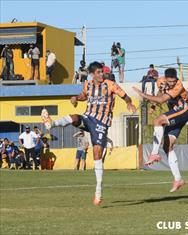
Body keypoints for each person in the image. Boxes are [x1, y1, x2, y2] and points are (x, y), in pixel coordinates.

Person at [41, 61, 137, 205]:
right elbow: (84, 96)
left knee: (97, 154)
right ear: (92, 74)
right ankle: (51, 124)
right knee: (73, 117)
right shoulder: (88, 84)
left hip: (101, 122)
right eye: (98, 72)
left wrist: (129, 103)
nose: (101, 74)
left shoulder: (110, 84)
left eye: (102, 72)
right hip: (88, 117)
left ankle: (98, 191)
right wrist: (75, 98)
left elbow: (125, 96)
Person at [133, 68, 188, 192]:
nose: (172, 84)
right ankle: (178, 179)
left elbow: (161, 99)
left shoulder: (178, 85)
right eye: (170, 82)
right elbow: (160, 94)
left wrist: (143, 95)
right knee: (167, 146)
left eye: (174, 81)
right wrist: (153, 107)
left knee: (158, 121)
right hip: (176, 113)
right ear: (165, 78)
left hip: (183, 111)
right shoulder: (160, 81)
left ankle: (154, 154)